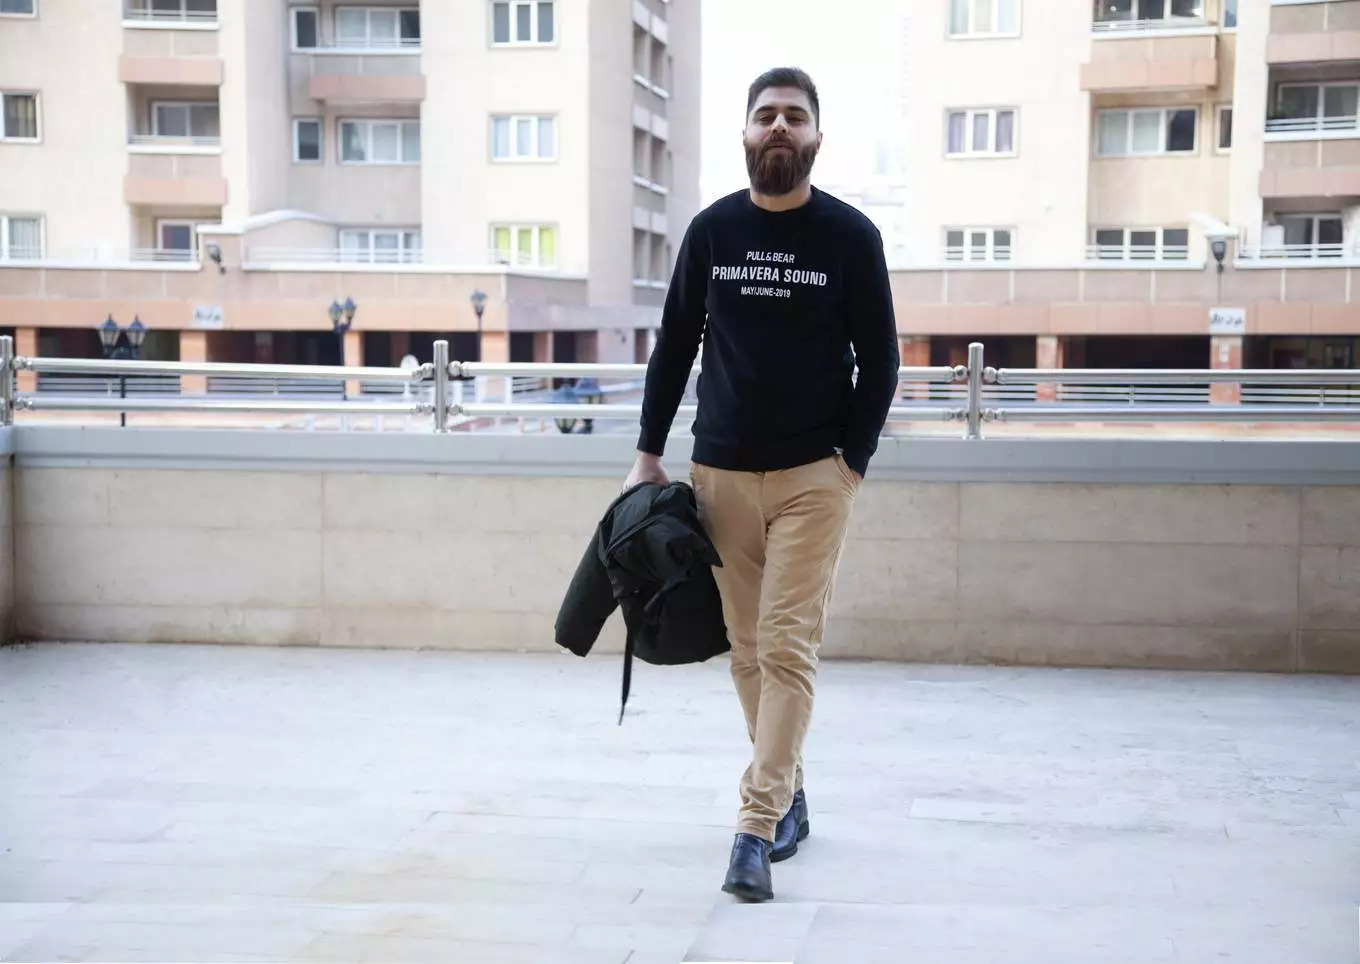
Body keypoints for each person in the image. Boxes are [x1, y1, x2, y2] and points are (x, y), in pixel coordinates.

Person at [623, 67, 900, 902]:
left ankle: (753, 824)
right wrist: (648, 452)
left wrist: (850, 463)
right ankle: (790, 794)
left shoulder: (850, 236)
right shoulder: (713, 231)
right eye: (766, 115)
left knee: (785, 646)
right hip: (721, 472)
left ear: (816, 137)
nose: (780, 127)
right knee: (747, 650)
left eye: (795, 117)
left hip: (815, 475)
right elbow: (675, 343)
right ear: (745, 135)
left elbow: (881, 359)